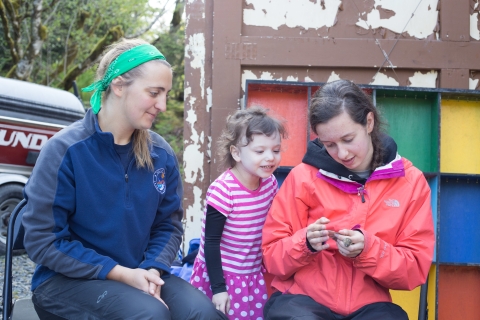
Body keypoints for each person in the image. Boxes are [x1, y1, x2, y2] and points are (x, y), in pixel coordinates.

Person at [22, 38, 227, 320]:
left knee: (202, 313)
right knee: (150, 314)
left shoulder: (161, 154)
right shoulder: (65, 151)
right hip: (65, 282)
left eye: (166, 94)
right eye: (154, 92)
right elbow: (43, 241)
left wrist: (153, 269)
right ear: (118, 86)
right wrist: (121, 274)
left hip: (140, 271)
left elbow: (167, 227)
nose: (163, 105)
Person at [261, 80, 435, 320]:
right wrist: (305, 243)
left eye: (348, 139)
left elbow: (414, 270)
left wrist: (368, 249)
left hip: (371, 306)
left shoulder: (411, 182)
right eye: (329, 144)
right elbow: (271, 258)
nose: (342, 153)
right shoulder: (303, 177)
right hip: (303, 300)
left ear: (369, 122)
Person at [190, 107, 287, 319]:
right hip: (222, 276)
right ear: (236, 153)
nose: (270, 157)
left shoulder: (270, 183)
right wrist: (218, 289)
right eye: (260, 151)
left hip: (252, 274)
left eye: (276, 150)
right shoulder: (224, 191)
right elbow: (211, 243)